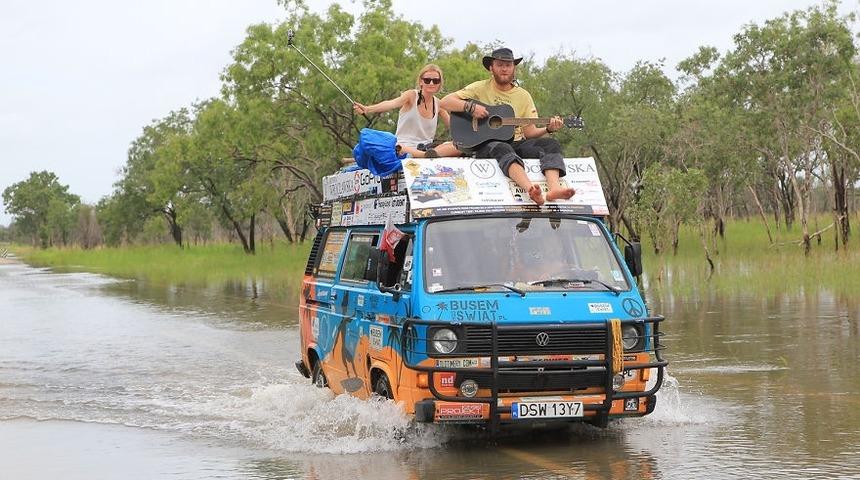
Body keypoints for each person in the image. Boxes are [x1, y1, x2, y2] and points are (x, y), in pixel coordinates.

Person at [440, 48, 575, 205]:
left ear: (513, 68)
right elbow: (445, 102)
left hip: (516, 142)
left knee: (551, 144)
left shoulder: (523, 96)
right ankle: (531, 190)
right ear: (491, 67)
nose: (504, 69)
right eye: (500, 65)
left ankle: (553, 189)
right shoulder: (479, 88)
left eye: (508, 65)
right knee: (502, 147)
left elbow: (529, 132)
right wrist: (470, 107)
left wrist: (548, 129)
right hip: (486, 144)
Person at [353, 64, 460, 158]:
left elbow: (455, 129)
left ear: (439, 84)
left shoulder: (439, 104)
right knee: (394, 145)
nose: (431, 83)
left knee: (458, 147)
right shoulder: (411, 95)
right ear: (421, 81)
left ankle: (427, 154)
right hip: (404, 147)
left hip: (427, 148)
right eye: (427, 80)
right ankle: (425, 155)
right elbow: (391, 103)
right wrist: (367, 109)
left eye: (436, 81)